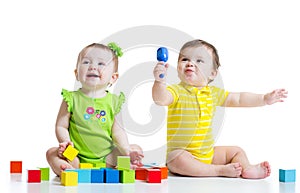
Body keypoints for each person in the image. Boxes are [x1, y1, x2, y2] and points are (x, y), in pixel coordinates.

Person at [152, 39, 287, 179]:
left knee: (236, 151)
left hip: (208, 154)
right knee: (174, 158)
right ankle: (217, 171)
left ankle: (246, 168)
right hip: (184, 155)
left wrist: (264, 99)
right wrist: (159, 81)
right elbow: (160, 99)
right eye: (185, 59)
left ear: (212, 73)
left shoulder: (213, 93)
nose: (190, 63)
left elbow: (239, 99)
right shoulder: (176, 91)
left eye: (199, 61)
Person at [46, 42, 144, 176]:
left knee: (134, 148)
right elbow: (61, 126)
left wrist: (127, 150)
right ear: (76, 73)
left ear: (113, 77)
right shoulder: (71, 98)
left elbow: (118, 132)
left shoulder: (114, 102)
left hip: (107, 158)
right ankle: (68, 170)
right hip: (76, 157)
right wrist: (65, 142)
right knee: (51, 153)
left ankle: (124, 166)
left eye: (101, 64)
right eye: (86, 62)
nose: (92, 67)